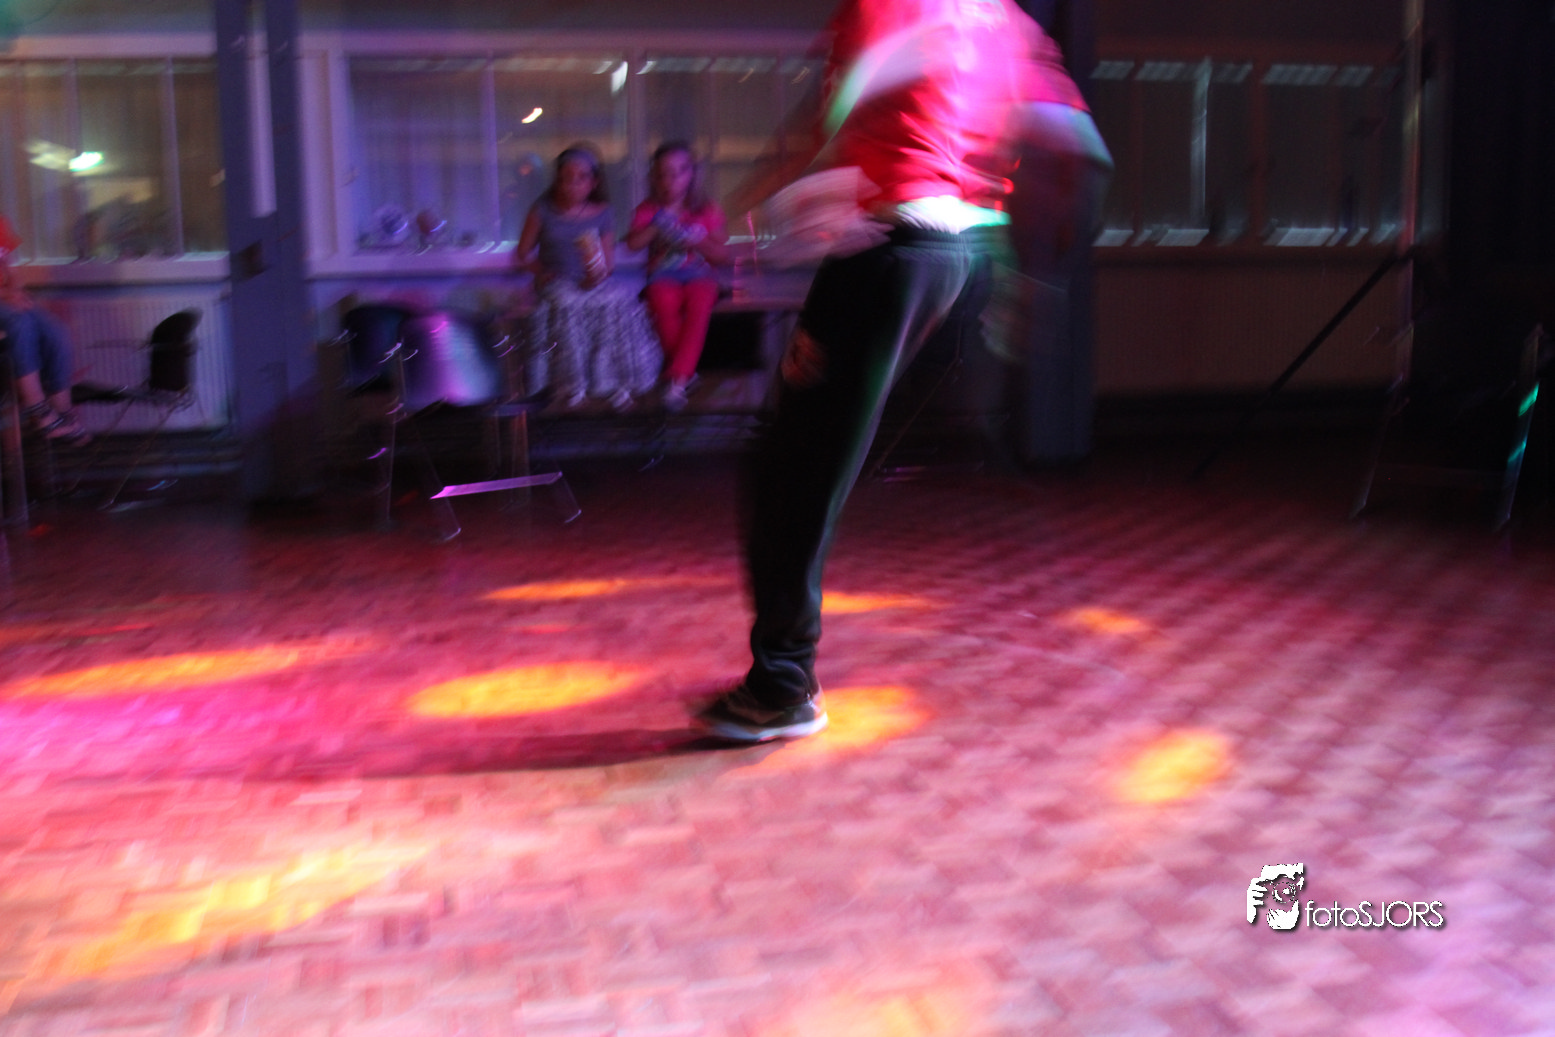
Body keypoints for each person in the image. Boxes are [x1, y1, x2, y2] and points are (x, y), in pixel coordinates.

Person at [694, 0, 1093, 741]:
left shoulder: (887, 4)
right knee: (804, 461)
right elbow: (1078, 144)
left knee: (790, 467)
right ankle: (783, 671)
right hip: (955, 258)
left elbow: (835, 113)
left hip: (890, 252)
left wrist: (762, 203)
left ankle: (781, 684)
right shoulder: (1004, 19)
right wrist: (1029, 272)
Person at [515, 146, 658, 410]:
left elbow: (608, 263)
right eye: (566, 178)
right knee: (567, 304)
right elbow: (522, 254)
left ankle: (616, 383)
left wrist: (597, 275)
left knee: (618, 300)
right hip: (558, 280)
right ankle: (572, 384)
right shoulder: (543, 210)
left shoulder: (603, 212)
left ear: (593, 182)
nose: (573, 184)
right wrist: (541, 271)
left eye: (581, 178)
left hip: (591, 279)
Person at [625, 141, 730, 410]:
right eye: (663, 174)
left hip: (700, 276)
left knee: (699, 307)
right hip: (662, 276)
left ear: (691, 174)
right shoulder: (648, 209)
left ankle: (678, 378)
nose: (670, 181)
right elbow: (632, 244)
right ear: (655, 177)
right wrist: (656, 226)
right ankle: (684, 375)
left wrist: (698, 241)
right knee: (662, 304)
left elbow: (722, 254)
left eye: (678, 172)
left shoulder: (706, 209)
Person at [0, 215, 90, 446]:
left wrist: (15, 292)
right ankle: (37, 409)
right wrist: (6, 295)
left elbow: (11, 268)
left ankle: (63, 410)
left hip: (6, 299)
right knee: (20, 323)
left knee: (56, 331)